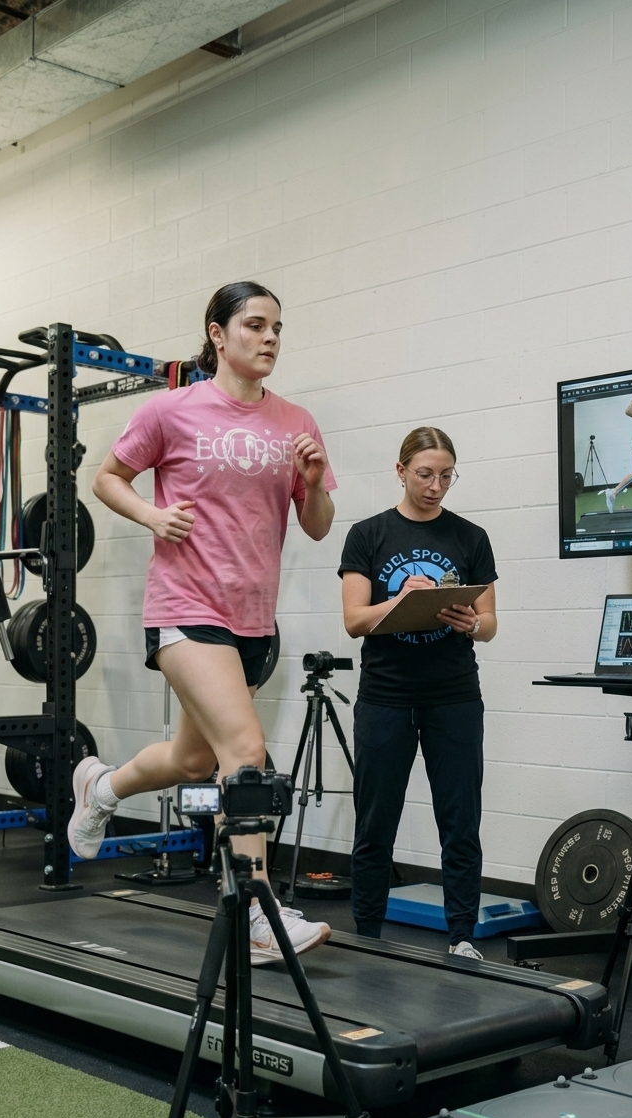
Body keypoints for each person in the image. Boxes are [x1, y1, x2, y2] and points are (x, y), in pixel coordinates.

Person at [67, 281, 337, 964]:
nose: (269, 337)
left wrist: (310, 478)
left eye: (277, 326)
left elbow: (315, 522)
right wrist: (153, 516)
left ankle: (99, 785)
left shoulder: (295, 422)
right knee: (244, 755)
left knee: (193, 759)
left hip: (251, 620)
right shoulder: (172, 410)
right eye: (254, 325)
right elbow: (106, 478)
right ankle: (257, 912)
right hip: (186, 608)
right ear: (218, 335)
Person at [338, 427, 497, 960]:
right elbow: (355, 621)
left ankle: (462, 938)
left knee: (460, 820)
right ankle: (366, 933)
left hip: (453, 696)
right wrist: (403, 600)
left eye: (446, 476)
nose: (436, 486)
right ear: (401, 470)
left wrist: (469, 622)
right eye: (425, 474)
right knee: (375, 820)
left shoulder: (470, 537)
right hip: (385, 697)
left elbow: (491, 623)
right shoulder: (368, 534)